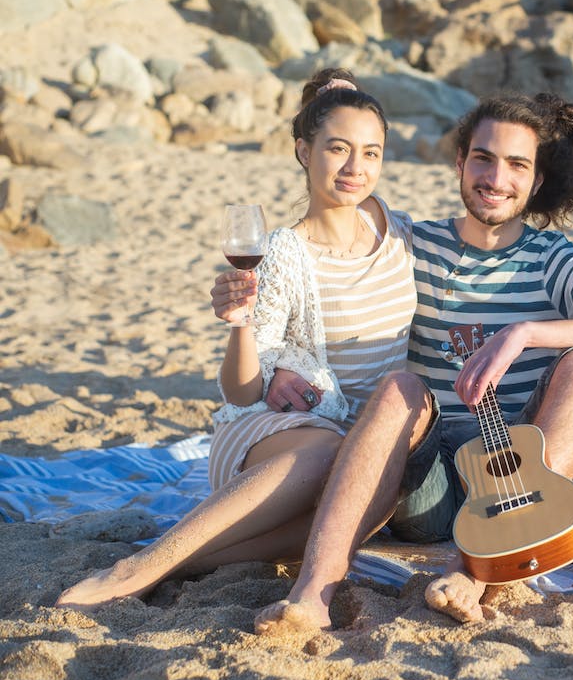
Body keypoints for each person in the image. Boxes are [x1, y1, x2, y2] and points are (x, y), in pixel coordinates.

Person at [253, 92, 573, 632]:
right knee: (400, 385)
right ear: (460, 163)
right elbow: (331, 272)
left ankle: (479, 570)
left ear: (535, 182)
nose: (496, 177)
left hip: (524, 473)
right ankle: (314, 593)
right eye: (483, 158)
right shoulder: (414, 244)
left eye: (517, 165)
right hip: (432, 476)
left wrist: (525, 332)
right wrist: (281, 359)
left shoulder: (554, 259)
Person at [56, 68, 416, 608]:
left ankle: (195, 560)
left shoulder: (401, 231)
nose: (354, 168)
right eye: (337, 148)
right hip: (275, 436)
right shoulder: (284, 252)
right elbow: (242, 392)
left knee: (366, 506)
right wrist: (242, 325)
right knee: (330, 455)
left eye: (370, 153)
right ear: (303, 150)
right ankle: (138, 568)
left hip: (361, 439)